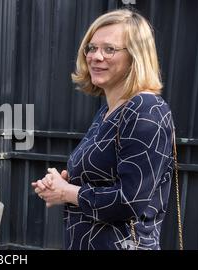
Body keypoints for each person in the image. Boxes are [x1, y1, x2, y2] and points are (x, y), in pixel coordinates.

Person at [31, 9, 175, 250]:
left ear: (135, 57)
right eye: (92, 47)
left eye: (109, 49)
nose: (96, 56)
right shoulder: (108, 111)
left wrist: (67, 192)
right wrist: (60, 183)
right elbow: (101, 178)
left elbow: (130, 200)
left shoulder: (146, 109)